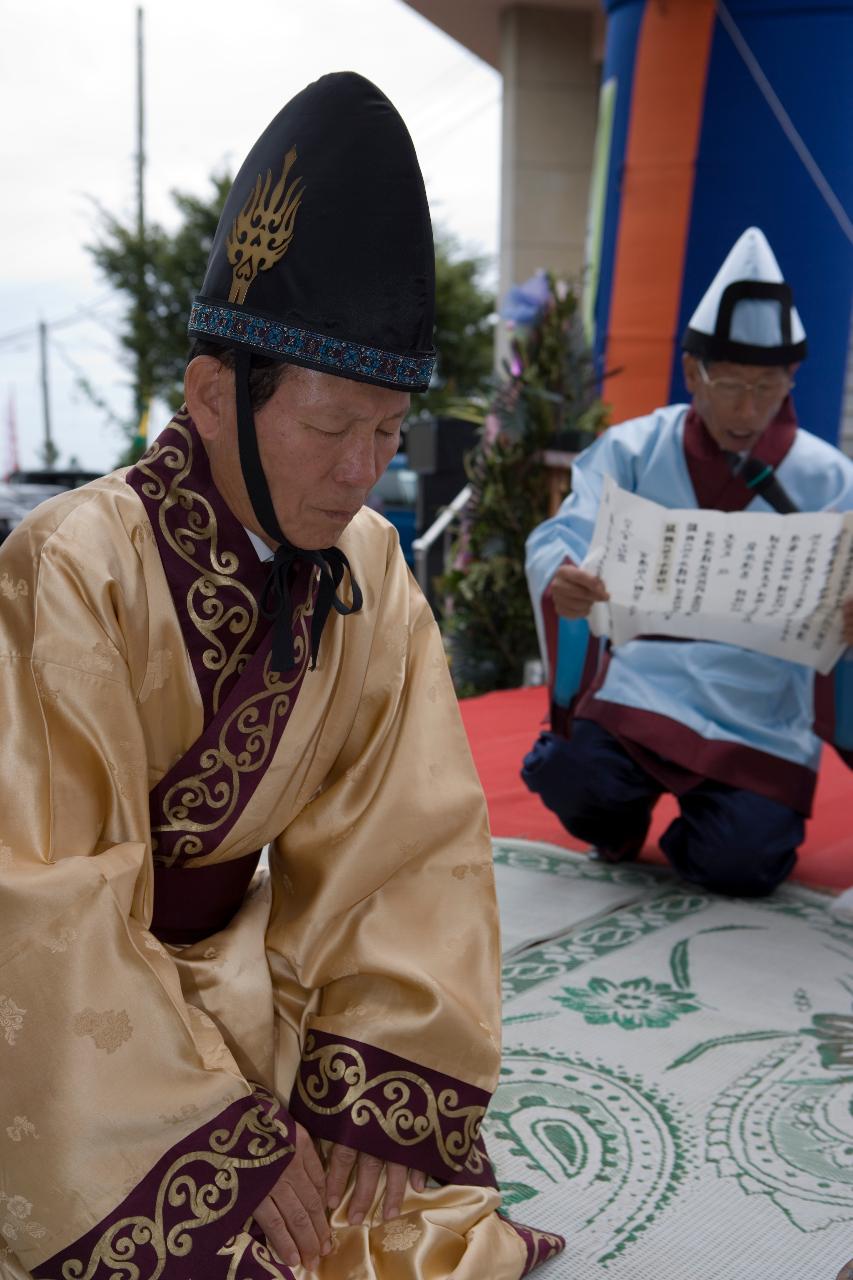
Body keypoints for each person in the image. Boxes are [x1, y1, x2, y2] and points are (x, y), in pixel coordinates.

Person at [0, 74, 563, 1279]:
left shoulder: (369, 562)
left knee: (413, 1228)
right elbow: (40, 897)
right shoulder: (74, 566)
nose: (365, 467)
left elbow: (402, 846)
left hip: (256, 993)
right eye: (333, 424)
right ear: (215, 397)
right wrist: (218, 1136)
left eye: (389, 429)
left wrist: (366, 1078)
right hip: (75, 1033)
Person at [523, 227, 853, 898]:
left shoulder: (828, 477)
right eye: (728, 384)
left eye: (767, 387)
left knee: (740, 865)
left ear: (790, 379)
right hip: (644, 684)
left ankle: (708, 832)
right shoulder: (633, 451)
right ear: (690, 371)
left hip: (757, 704)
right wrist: (566, 578)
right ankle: (616, 818)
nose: (746, 409)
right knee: (574, 780)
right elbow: (562, 536)